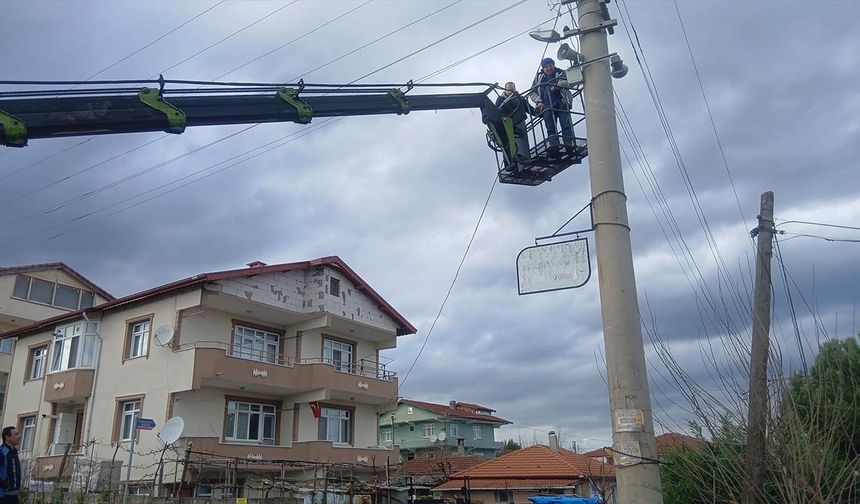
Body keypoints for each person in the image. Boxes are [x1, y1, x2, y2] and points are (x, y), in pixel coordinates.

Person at [530, 57, 575, 148]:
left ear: (553, 65)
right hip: (547, 105)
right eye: (546, 67)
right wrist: (539, 101)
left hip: (562, 102)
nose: (548, 68)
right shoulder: (539, 77)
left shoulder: (561, 73)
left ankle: (569, 143)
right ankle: (554, 144)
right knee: (550, 127)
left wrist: (558, 85)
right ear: (543, 68)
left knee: (566, 124)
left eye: (550, 66)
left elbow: (571, 82)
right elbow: (532, 92)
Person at [495, 81, 536, 162]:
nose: (510, 92)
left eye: (512, 90)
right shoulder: (500, 99)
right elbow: (497, 112)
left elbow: (529, 108)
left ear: (515, 89)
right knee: (508, 143)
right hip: (507, 125)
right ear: (505, 90)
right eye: (509, 90)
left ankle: (523, 157)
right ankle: (511, 161)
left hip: (520, 124)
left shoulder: (519, 98)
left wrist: (539, 112)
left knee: (521, 142)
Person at [0, 426, 21, 504]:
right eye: (16, 434)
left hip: (14, 496)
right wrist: (5, 485)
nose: (19, 436)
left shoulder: (14, 453)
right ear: (7, 437)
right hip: (3, 497)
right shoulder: (2, 452)